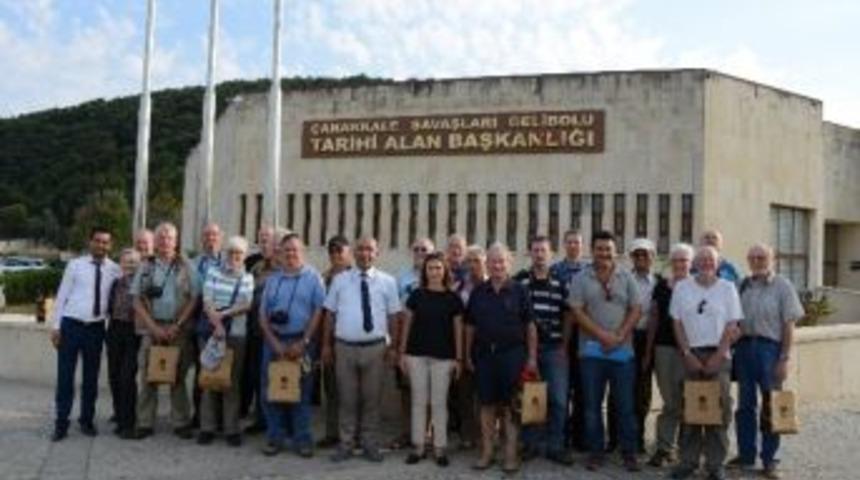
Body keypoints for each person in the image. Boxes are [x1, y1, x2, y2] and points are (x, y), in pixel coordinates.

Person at [322, 236, 401, 463]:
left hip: (375, 349)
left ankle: (370, 444)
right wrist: (327, 345)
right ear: (354, 253)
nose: (365, 253)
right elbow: (329, 314)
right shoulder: (340, 280)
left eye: (370, 249)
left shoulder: (388, 282)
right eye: (361, 249)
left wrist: (393, 346)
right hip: (344, 348)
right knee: (346, 399)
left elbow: (394, 316)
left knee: (371, 400)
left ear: (377, 253)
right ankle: (345, 444)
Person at [568, 230, 641, 472]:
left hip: (622, 352)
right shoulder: (581, 278)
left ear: (615, 251)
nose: (604, 253)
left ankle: (628, 452)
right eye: (599, 249)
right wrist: (602, 335)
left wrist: (619, 335)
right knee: (591, 406)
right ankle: (596, 452)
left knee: (624, 405)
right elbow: (577, 311)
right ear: (592, 250)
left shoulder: (627, 277)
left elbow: (636, 308)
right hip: (591, 353)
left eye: (608, 249)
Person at [729, 243, 804, 479]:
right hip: (743, 350)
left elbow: (789, 325)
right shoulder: (742, 285)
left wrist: (784, 358)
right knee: (745, 406)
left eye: (762, 257)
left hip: (770, 350)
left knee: (773, 406)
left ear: (772, 259)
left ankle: (770, 459)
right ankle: (746, 454)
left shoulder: (783, 286)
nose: (757, 261)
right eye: (753, 257)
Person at [669, 246, 743, 480]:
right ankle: (688, 461)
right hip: (691, 355)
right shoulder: (682, 287)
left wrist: (719, 355)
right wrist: (687, 353)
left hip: (718, 356)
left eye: (711, 259)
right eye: (702, 259)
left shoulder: (728, 288)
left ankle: (715, 464)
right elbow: (677, 323)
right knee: (690, 409)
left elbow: (733, 325)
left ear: (718, 263)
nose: (706, 263)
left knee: (718, 410)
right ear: (695, 263)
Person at [465, 242, 538, 473]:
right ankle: (487, 452)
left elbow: (530, 326)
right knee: (486, 406)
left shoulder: (520, 290)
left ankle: (510, 454)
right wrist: (466, 354)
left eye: (501, 261)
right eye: (493, 261)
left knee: (511, 408)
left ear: (509, 263)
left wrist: (532, 358)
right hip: (485, 356)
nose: (497, 265)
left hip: (513, 355)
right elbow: (470, 327)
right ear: (487, 263)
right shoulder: (478, 292)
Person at [50, 227, 122, 441]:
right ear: (90, 242)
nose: (101, 245)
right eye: (97, 241)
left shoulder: (115, 269)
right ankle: (61, 423)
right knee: (65, 378)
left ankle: (86, 420)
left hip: (96, 329)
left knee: (90, 379)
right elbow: (62, 295)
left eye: (105, 242)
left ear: (110, 246)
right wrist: (56, 326)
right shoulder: (75, 265)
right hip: (71, 326)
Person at [259, 233, 326, 457]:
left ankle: (302, 439)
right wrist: (274, 343)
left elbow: (319, 312)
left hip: (302, 341)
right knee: (271, 391)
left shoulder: (314, 278)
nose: (290, 254)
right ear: (280, 253)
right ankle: (275, 437)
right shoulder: (273, 279)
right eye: (286, 250)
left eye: (295, 250)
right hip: (274, 342)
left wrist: (304, 341)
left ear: (303, 252)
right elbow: (262, 316)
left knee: (302, 392)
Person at [398, 252, 464, 467]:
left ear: (444, 270)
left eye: (438, 267)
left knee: (439, 404)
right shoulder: (416, 295)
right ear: (425, 272)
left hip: (444, 359)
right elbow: (407, 324)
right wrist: (402, 353)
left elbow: (458, 329)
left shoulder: (453, 298)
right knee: (418, 402)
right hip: (416, 356)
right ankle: (418, 447)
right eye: (430, 268)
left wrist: (459, 358)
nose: (434, 272)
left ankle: (440, 448)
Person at [131, 222, 197, 440]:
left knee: (177, 377)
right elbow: (137, 300)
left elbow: (194, 298)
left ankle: (180, 422)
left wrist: (177, 325)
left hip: (178, 329)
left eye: (169, 237)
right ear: (155, 242)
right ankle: (144, 422)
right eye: (160, 237)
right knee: (148, 377)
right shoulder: (146, 266)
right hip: (152, 328)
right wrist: (153, 328)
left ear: (175, 241)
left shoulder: (186, 265)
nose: (165, 241)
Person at [515, 235, 574, 465]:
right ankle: (530, 445)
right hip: (527, 349)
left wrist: (565, 346)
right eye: (535, 250)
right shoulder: (520, 282)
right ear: (530, 253)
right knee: (531, 398)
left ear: (551, 254)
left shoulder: (561, 281)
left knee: (559, 399)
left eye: (543, 250)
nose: (539, 255)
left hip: (554, 348)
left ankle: (555, 446)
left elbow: (569, 315)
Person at [196, 236, 254, 447]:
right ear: (225, 254)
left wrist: (224, 315)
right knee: (209, 379)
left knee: (232, 382)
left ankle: (231, 429)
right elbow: (207, 300)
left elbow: (246, 304)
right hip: (211, 332)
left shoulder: (247, 277)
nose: (234, 257)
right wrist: (218, 323)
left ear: (244, 256)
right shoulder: (213, 272)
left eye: (238, 253)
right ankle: (207, 428)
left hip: (236, 335)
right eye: (231, 252)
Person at [644, 243, 694, 467]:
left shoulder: (698, 287)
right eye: (676, 260)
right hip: (664, 348)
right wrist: (648, 350)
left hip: (690, 350)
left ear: (691, 263)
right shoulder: (662, 287)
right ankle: (664, 447)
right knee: (670, 400)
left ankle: (686, 449)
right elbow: (653, 318)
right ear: (670, 263)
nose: (680, 264)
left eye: (684, 260)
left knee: (687, 399)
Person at [390, 237, 435, 451]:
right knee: (407, 390)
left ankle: (426, 433)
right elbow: (396, 311)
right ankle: (408, 432)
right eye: (416, 249)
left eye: (424, 249)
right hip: (407, 340)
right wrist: (396, 343)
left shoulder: (438, 276)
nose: (420, 252)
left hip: (432, 341)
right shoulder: (401, 278)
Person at [549, 229, 589, 451]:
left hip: (584, 335)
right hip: (561, 334)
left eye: (577, 242)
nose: (573, 246)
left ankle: (580, 437)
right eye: (570, 242)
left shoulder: (589, 270)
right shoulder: (555, 270)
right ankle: (560, 436)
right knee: (561, 389)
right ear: (564, 245)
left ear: (582, 246)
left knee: (583, 388)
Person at [620, 237, 658, 453]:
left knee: (642, 392)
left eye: (645, 254)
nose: (641, 258)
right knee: (619, 387)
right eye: (637, 254)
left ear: (652, 257)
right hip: (626, 336)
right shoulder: (623, 279)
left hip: (647, 338)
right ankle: (616, 438)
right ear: (632, 258)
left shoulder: (658, 283)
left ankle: (638, 438)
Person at [316, 234, 353, 449]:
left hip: (350, 339)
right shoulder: (323, 278)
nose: (336, 254)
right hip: (328, 340)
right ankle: (332, 433)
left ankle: (351, 434)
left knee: (351, 390)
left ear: (348, 252)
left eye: (340, 250)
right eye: (332, 250)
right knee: (331, 389)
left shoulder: (357, 277)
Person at [241, 225, 278, 433]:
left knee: (275, 376)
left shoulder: (283, 268)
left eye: (268, 240)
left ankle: (276, 421)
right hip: (255, 329)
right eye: (261, 240)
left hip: (276, 333)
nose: (264, 244)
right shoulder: (256, 268)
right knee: (257, 376)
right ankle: (261, 418)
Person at [451, 245, 487, 449]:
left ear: (484, 262)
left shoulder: (494, 285)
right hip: (463, 346)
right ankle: (467, 434)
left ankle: (486, 435)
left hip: (487, 347)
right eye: (469, 261)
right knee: (464, 393)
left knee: (486, 395)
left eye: (477, 261)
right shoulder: (458, 288)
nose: (473, 265)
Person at [190, 223, 224, 429]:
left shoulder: (228, 262)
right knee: (200, 370)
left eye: (214, 235)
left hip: (220, 322)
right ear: (202, 239)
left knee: (220, 369)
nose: (210, 239)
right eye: (207, 235)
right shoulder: (194, 263)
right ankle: (199, 415)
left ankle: (218, 418)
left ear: (220, 238)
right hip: (197, 321)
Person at [105, 248, 142, 439]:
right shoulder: (115, 284)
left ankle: (129, 423)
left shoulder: (143, 283)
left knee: (127, 377)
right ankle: (119, 417)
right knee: (114, 376)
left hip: (133, 333)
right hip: (114, 330)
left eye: (134, 262)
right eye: (126, 261)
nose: (130, 265)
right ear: (121, 264)